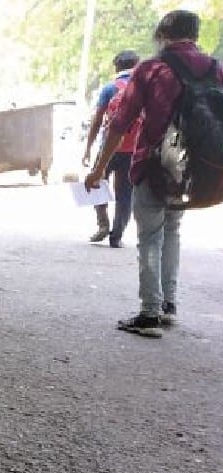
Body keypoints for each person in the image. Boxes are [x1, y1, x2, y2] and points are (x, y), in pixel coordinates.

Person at [85, 10, 223, 338]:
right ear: (195, 34)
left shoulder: (151, 68)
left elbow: (120, 123)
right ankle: (169, 305)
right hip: (197, 169)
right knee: (172, 230)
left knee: (150, 234)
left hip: (155, 164)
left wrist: (98, 168)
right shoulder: (216, 69)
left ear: (163, 33)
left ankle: (149, 313)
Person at [81, 50, 141, 248]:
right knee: (125, 193)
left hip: (109, 147)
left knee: (96, 182)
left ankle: (102, 224)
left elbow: (97, 120)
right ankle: (117, 235)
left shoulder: (109, 89)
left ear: (117, 67)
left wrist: (88, 148)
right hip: (132, 150)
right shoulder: (142, 89)